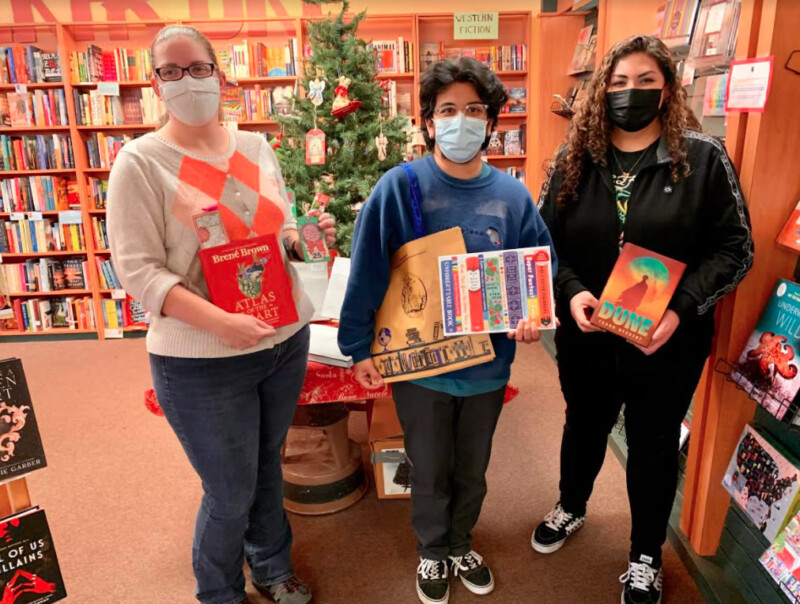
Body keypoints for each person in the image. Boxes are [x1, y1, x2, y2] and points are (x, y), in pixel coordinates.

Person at [106, 25, 336, 604]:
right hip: (201, 360)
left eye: (198, 68)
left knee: (265, 468)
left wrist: (302, 238)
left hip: (283, 340)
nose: (187, 81)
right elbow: (140, 274)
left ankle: (272, 565)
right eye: (171, 71)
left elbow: (276, 233)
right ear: (156, 84)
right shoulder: (139, 163)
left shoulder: (255, 146)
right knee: (229, 490)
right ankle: (218, 591)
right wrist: (220, 323)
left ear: (220, 75)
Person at [532, 34, 753, 604]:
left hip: (667, 343)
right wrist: (573, 291)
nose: (631, 94)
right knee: (583, 424)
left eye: (646, 82)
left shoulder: (703, 158)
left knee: (654, 444)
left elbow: (735, 250)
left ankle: (646, 555)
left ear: (669, 90)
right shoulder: (573, 159)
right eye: (619, 82)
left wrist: (680, 312)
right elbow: (541, 242)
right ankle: (572, 505)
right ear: (602, 90)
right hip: (588, 335)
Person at [338, 57, 555, 604]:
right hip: (421, 369)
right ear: (430, 122)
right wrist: (356, 346)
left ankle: (461, 541)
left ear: (491, 122)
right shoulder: (400, 186)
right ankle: (433, 551)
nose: (462, 122)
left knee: (474, 469)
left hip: (486, 366)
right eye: (449, 110)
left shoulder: (513, 196)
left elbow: (537, 266)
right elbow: (366, 270)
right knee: (430, 465)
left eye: (475, 110)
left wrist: (533, 315)